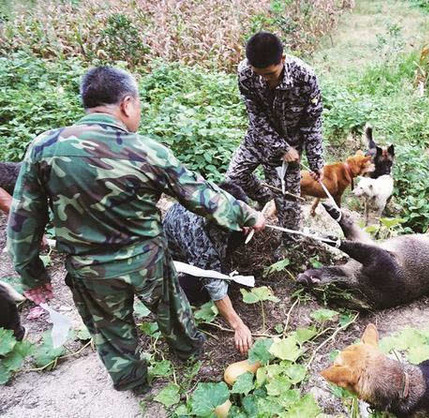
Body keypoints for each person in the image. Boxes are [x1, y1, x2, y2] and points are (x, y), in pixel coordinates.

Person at [7, 66, 265, 394]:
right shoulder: (146, 151)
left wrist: (33, 276)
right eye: (138, 105)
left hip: (90, 270)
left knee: (111, 332)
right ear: (127, 104)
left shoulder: (44, 148)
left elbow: (23, 221)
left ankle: (135, 385)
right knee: (173, 313)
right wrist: (247, 214)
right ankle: (189, 355)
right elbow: (199, 195)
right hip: (147, 262)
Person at [225, 31, 324, 259]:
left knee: (288, 202)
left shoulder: (305, 77)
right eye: (259, 74)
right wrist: (280, 147)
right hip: (259, 139)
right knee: (234, 178)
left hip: (292, 147)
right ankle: (265, 196)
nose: (265, 79)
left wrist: (316, 161)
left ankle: (290, 246)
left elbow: (313, 123)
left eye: (270, 74)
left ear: (282, 59)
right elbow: (256, 116)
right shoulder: (245, 73)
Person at [163, 182, 254, 355]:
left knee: (240, 234)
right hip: (178, 263)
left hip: (198, 238)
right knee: (200, 292)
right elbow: (213, 282)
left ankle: (220, 259)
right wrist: (238, 325)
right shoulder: (197, 235)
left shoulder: (211, 198)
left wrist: (247, 220)